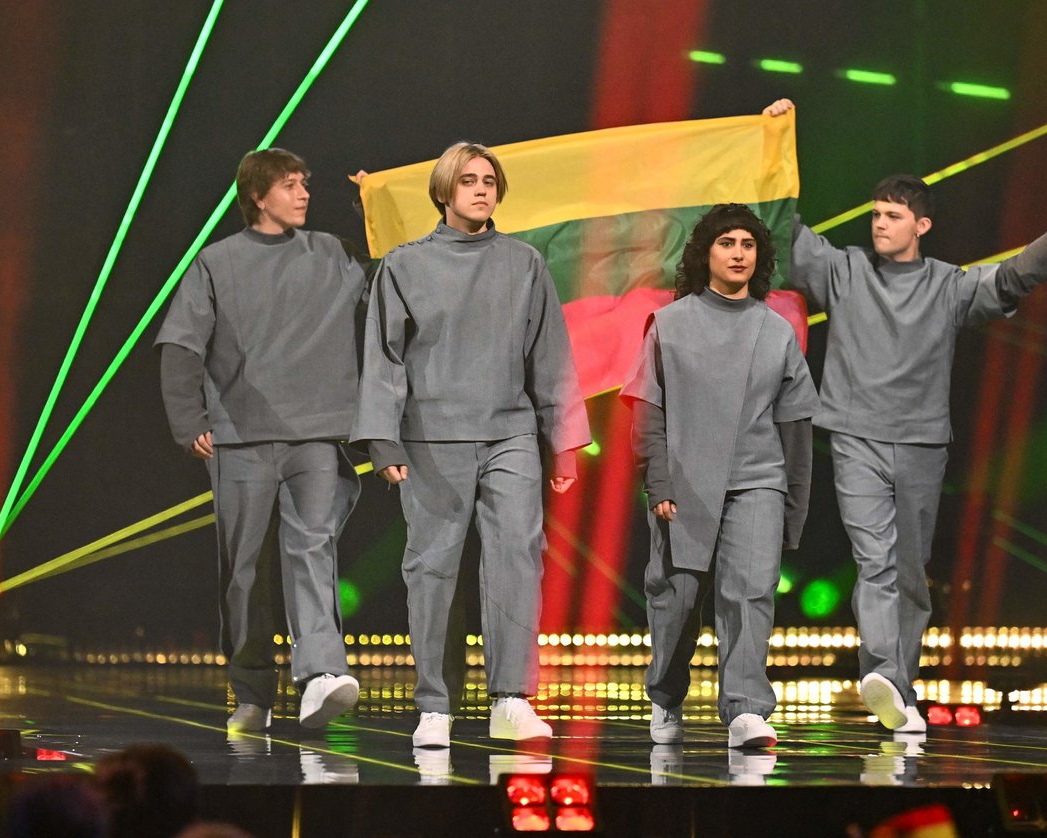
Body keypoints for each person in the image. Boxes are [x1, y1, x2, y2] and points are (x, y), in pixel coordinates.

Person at [764, 98, 1047, 733]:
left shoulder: (949, 285)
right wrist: (773, 142)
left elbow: (1014, 277)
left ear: (921, 225)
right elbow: (782, 229)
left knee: (908, 571)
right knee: (874, 560)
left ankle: (898, 690)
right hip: (854, 438)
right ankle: (884, 672)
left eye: (892, 216)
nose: (879, 224)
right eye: (876, 214)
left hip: (922, 444)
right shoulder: (844, 270)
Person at [352, 141, 591, 746]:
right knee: (431, 568)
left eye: (489, 180)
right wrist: (382, 441)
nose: (482, 189)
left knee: (517, 559)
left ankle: (511, 698)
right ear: (443, 191)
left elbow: (550, 356)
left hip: (510, 433)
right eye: (468, 180)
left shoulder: (523, 262)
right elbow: (384, 358)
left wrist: (563, 442)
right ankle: (436, 705)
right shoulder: (404, 265)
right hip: (431, 438)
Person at [155, 148, 368, 731]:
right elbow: (180, 344)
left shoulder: (332, 252)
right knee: (243, 568)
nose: (303, 193)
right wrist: (189, 421)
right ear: (257, 196)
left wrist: (371, 205)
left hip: (317, 433)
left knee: (313, 547)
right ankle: (252, 692)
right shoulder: (217, 262)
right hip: (240, 437)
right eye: (289, 184)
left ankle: (321, 673)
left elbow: (397, 272)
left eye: (305, 182)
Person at [622, 203, 819, 749]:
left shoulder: (777, 331)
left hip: (758, 480)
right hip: (684, 484)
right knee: (677, 600)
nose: (738, 254)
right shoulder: (670, 324)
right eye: (726, 243)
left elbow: (795, 425)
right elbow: (647, 410)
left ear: (760, 256)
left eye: (747, 244)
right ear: (705, 253)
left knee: (750, 593)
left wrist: (793, 508)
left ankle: (747, 710)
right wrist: (658, 482)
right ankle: (665, 696)